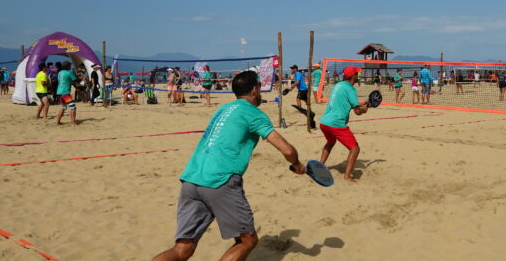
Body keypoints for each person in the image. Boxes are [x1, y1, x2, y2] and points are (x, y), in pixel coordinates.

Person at [151, 71, 305, 261]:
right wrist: (297, 164)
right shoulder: (254, 114)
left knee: (182, 249)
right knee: (247, 241)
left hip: (191, 178)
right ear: (255, 90)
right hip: (220, 181)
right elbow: (287, 150)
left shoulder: (223, 109)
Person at [319, 66, 369, 183]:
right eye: (356, 74)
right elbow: (357, 112)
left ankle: (320, 166)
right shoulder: (351, 89)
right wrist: (364, 109)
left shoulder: (338, 85)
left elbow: (344, 100)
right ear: (352, 77)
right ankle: (347, 176)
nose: (358, 76)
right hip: (336, 123)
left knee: (331, 142)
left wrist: (360, 103)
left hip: (324, 121)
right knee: (355, 149)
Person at [55, 61, 78, 126]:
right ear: (68, 66)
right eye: (70, 66)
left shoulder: (60, 73)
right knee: (73, 107)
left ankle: (58, 121)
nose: (70, 67)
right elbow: (75, 80)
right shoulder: (68, 73)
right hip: (65, 92)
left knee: (63, 107)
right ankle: (73, 122)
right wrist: (80, 78)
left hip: (59, 92)